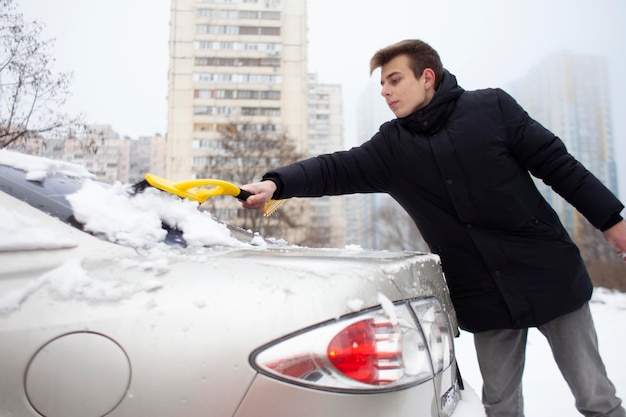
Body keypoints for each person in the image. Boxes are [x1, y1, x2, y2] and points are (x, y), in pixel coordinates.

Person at [240, 39, 626, 417]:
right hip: (484, 293)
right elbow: (333, 168)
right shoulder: (391, 148)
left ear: (427, 77)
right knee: (501, 407)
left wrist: (610, 220)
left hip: (548, 272)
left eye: (394, 80)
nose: (385, 92)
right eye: (381, 85)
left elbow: (559, 165)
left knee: (597, 399)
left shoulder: (492, 108)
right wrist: (278, 184)